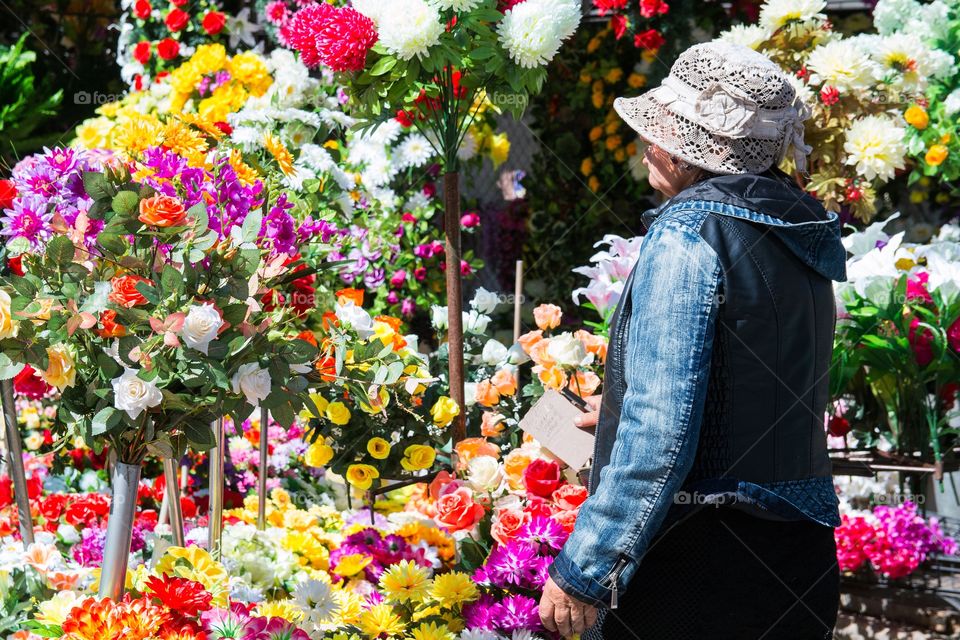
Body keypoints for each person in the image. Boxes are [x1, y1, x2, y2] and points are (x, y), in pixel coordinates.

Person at [538, 40, 846, 640]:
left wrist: (585, 568)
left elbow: (659, 433)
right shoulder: (799, 227)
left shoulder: (688, 232)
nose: (647, 144)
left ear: (687, 152)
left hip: (700, 564)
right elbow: (763, 391)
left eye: (661, 131)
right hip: (797, 553)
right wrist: (619, 404)